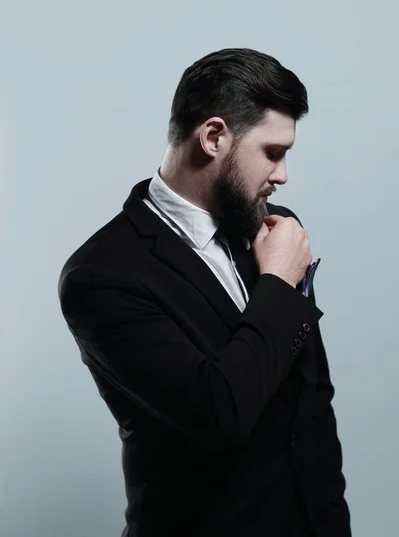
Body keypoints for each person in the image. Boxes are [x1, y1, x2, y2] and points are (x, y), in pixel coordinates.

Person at [58, 47, 351, 537]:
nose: (282, 175)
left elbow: (312, 401)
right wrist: (278, 282)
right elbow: (220, 415)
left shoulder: (273, 227)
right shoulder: (101, 275)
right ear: (213, 137)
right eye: (273, 153)